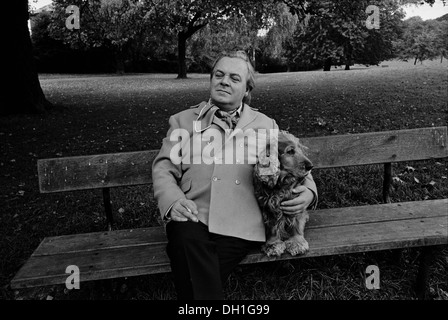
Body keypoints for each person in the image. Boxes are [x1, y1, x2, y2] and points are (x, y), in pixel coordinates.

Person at [152, 50, 317, 300]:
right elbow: (164, 167)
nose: (224, 81)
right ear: (210, 80)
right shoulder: (184, 121)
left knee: (193, 269)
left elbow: (294, 161)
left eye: (234, 78)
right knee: (185, 240)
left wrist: (309, 192)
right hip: (194, 214)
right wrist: (173, 201)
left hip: (243, 220)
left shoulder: (266, 125)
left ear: (247, 89)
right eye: (218, 75)